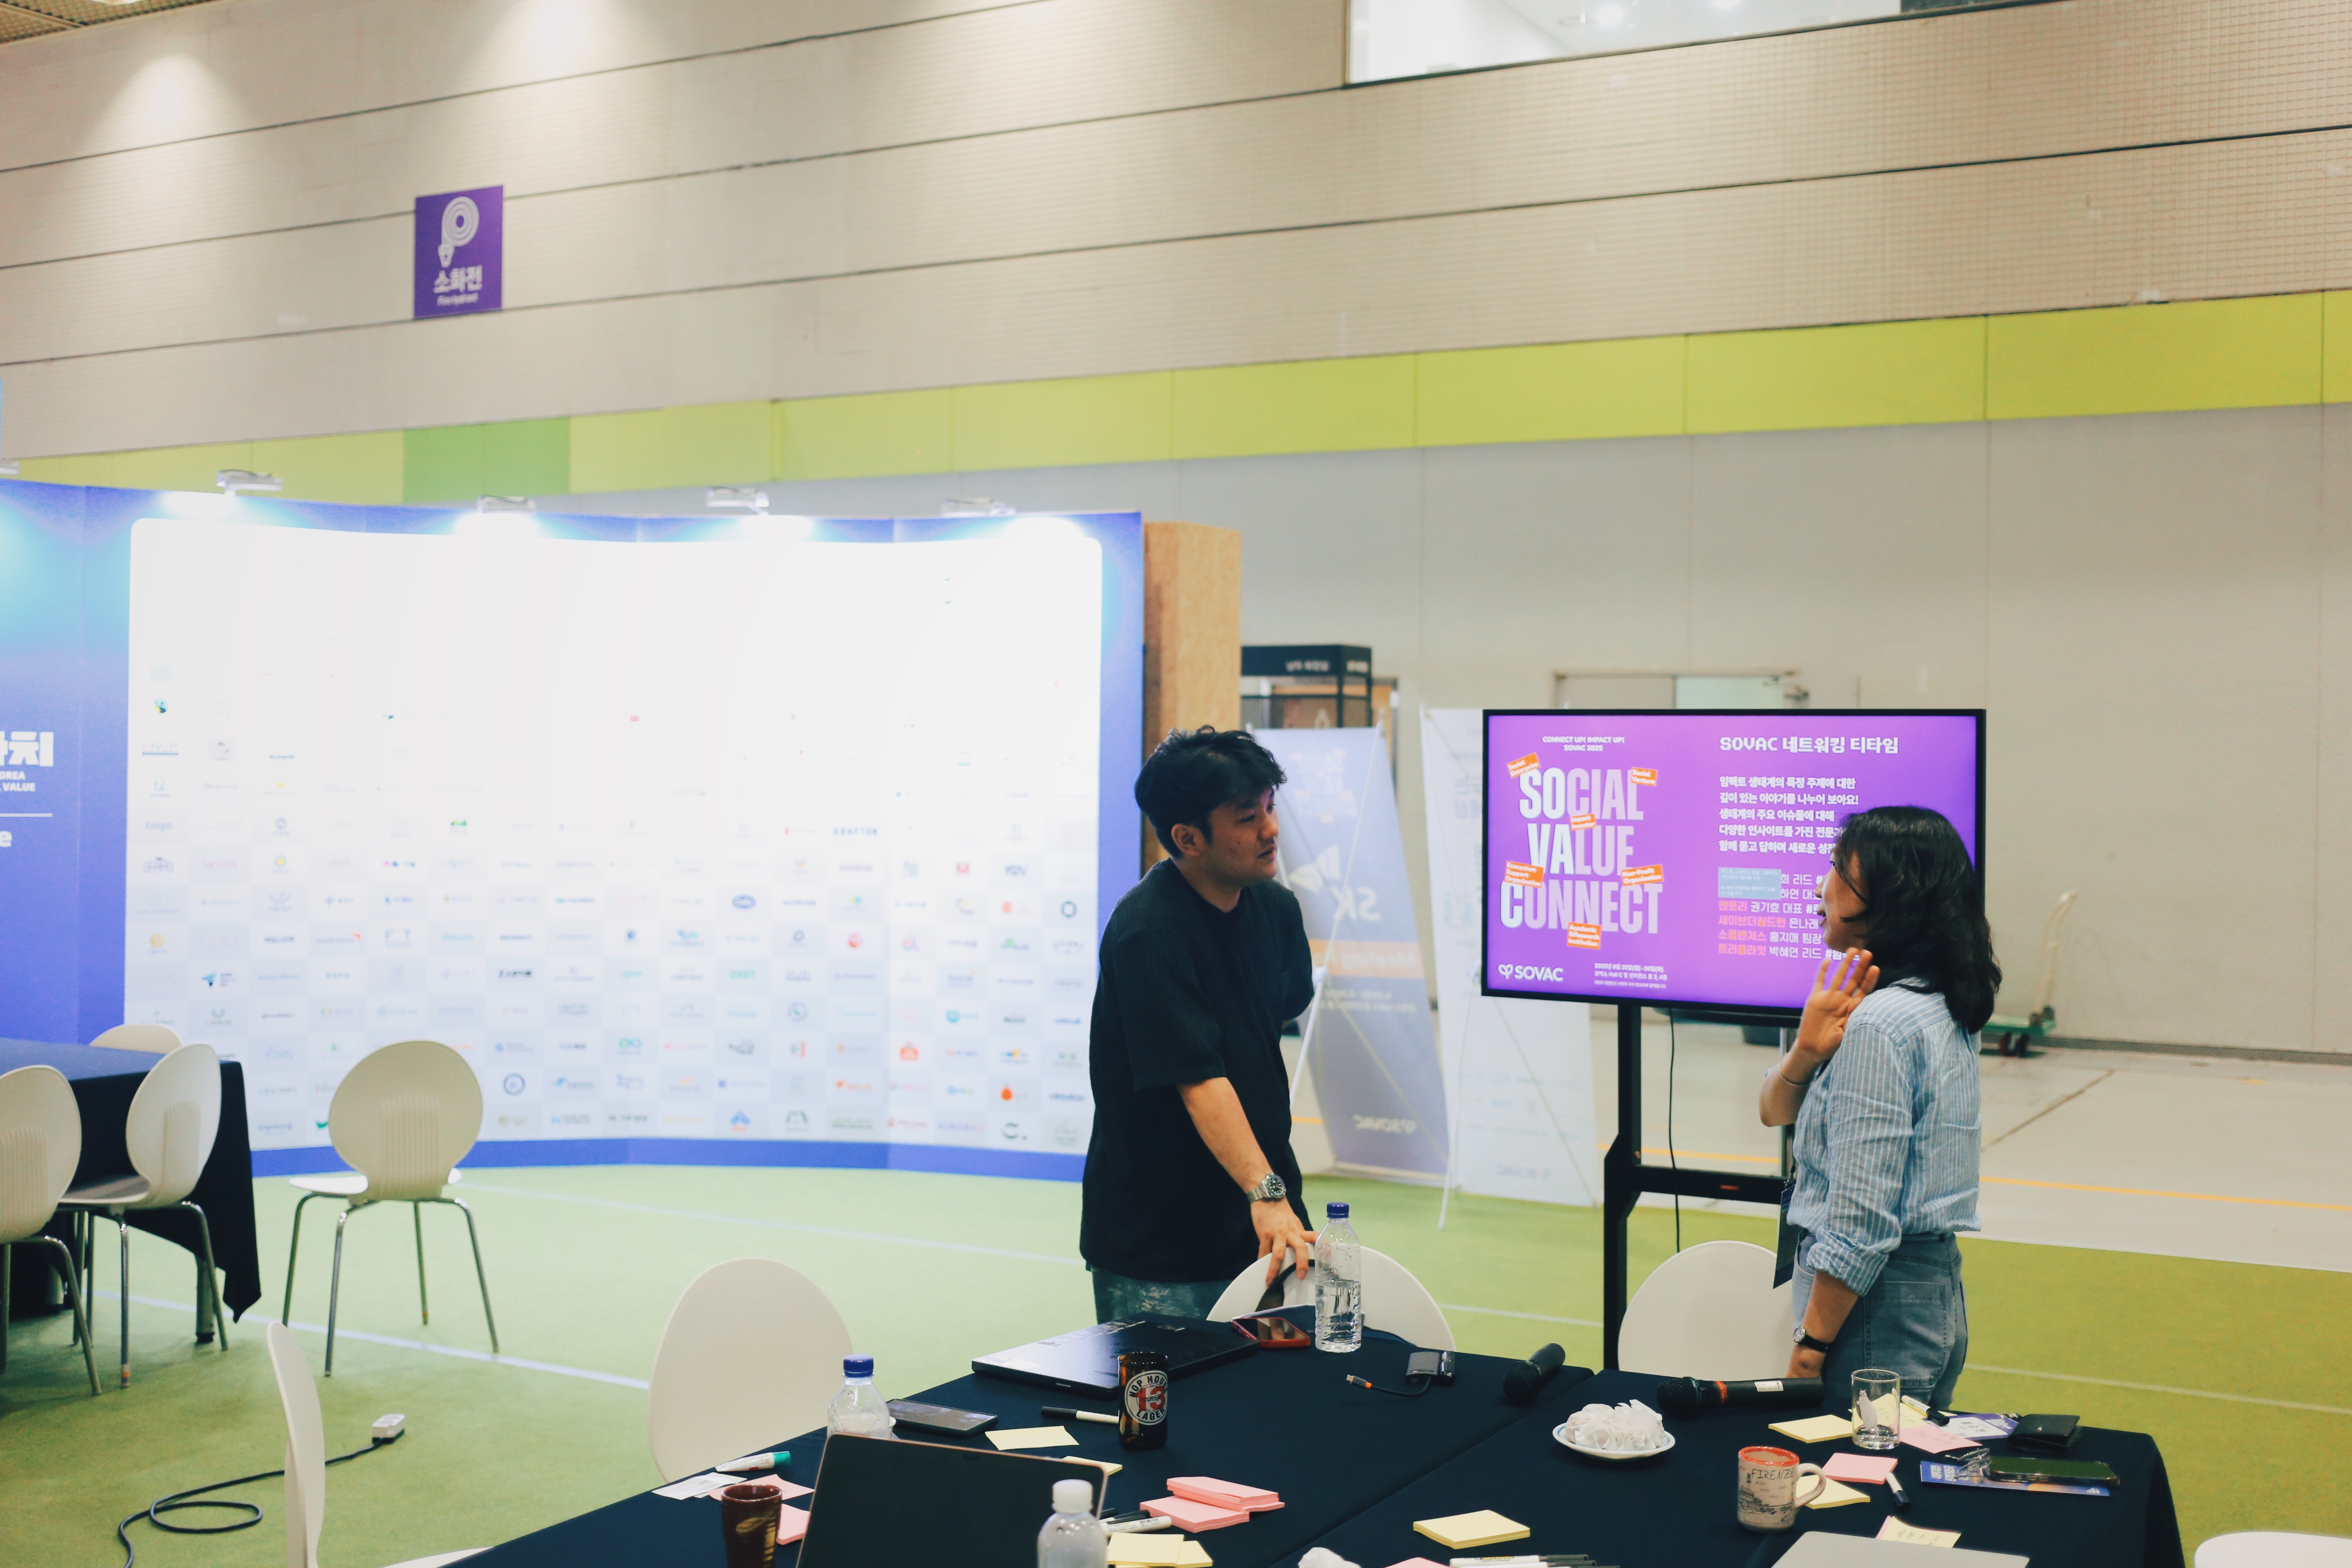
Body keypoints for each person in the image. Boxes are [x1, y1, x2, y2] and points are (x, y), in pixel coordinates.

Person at [1759, 805, 2000, 1412]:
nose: (1820, 887)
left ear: (1891, 898)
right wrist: (1806, 1052)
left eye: (1838, 871)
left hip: (1873, 1305)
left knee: (1855, 1465)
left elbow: (1861, 1221)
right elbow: (1773, 1110)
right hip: (1924, 1290)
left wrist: (1810, 1349)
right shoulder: (1932, 1001)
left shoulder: (1882, 1023)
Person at [1080, 726, 1317, 1321]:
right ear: (1188, 837)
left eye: (1270, 807)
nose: (1271, 829)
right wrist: (1267, 1192)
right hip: (1161, 1241)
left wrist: (1271, 1196)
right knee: (1167, 1386)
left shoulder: (1277, 909)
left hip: (1266, 1219)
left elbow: (1278, 1013)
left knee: (1282, 1378)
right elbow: (1200, 1080)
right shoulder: (1148, 932)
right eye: (1247, 818)